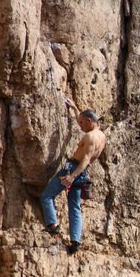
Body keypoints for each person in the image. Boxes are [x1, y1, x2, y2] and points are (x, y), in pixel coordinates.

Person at [40, 98, 106, 254]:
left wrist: (71, 177)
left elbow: (85, 159)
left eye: (82, 123)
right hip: (83, 173)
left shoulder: (90, 137)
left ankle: (53, 225)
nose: (80, 125)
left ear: (89, 121)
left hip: (73, 169)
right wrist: (75, 108)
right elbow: (82, 122)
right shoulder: (100, 136)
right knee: (74, 207)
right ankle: (75, 241)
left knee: (47, 196)